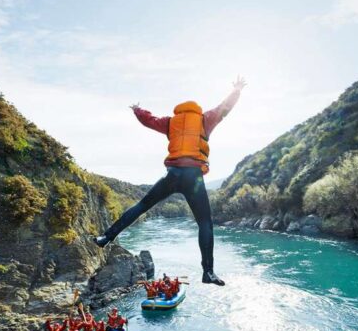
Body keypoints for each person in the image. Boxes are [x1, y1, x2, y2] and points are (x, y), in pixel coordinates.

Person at [93, 77, 248, 287]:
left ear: (180, 111)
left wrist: (137, 110)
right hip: (193, 177)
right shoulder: (205, 119)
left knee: (141, 206)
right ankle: (208, 272)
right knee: (205, 223)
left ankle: (106, 237)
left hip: (173, 174)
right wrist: (237, 90)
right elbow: (225, 107)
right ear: (195, 110)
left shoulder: (171, 122)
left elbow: (149, 120)